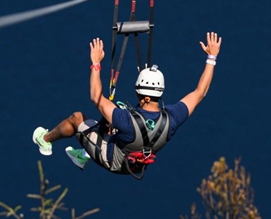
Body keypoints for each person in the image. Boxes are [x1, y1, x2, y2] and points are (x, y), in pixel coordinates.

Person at [32, 32, 222, 175]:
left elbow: (95, 96)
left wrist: (96, 63)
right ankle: (84, 153)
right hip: (136, 166)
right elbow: (200, 93)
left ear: (144, 96)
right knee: (117, 113)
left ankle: (45, 140)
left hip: (113, 160)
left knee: (77, 118)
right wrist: (211, 58)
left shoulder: (125, 120)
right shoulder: (172, 118)